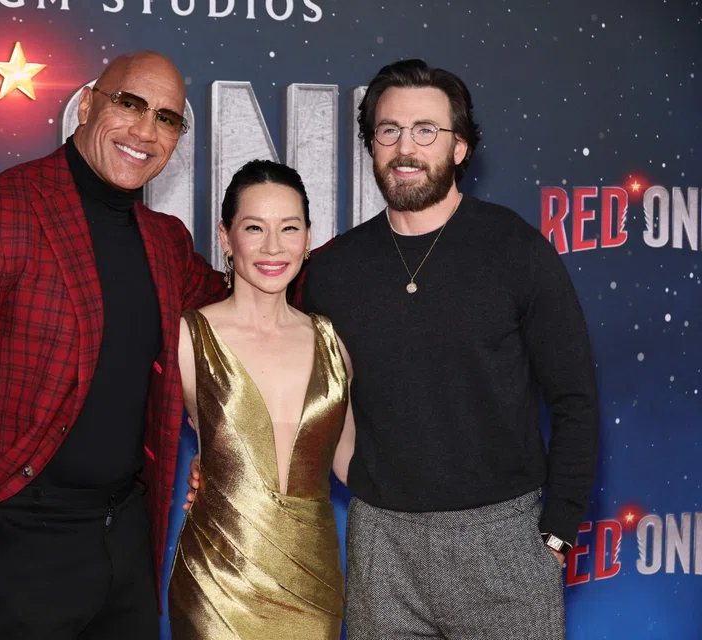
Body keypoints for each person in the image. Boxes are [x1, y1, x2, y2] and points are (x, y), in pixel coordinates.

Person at [187, 59, 600, 639]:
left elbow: (576, 401)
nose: (406, 147)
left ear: (459, 148)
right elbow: (283, 368)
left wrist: (556, 534)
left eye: (426, 130)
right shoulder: (331, 271)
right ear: (372, 146)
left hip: (503, 545)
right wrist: (225, 470)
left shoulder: (516, 251)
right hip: (379, 543)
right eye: (389, 131)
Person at [0, 51, 226, 640]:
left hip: (126, 545)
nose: (145, 130)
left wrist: (366, 260)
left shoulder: (164, 241)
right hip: (12, 550)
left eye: (167, 118)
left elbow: (247, 300)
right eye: (129, 104)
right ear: (85, 105)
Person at [168, 160, 356, 639]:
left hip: (314, 584)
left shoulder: (334, 343)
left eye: (289, 228)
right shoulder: (186, 338)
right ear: (227, 239)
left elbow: (352, 465)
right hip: (218, 583)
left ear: (309, 238)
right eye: (255, 228)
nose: (274, 247)